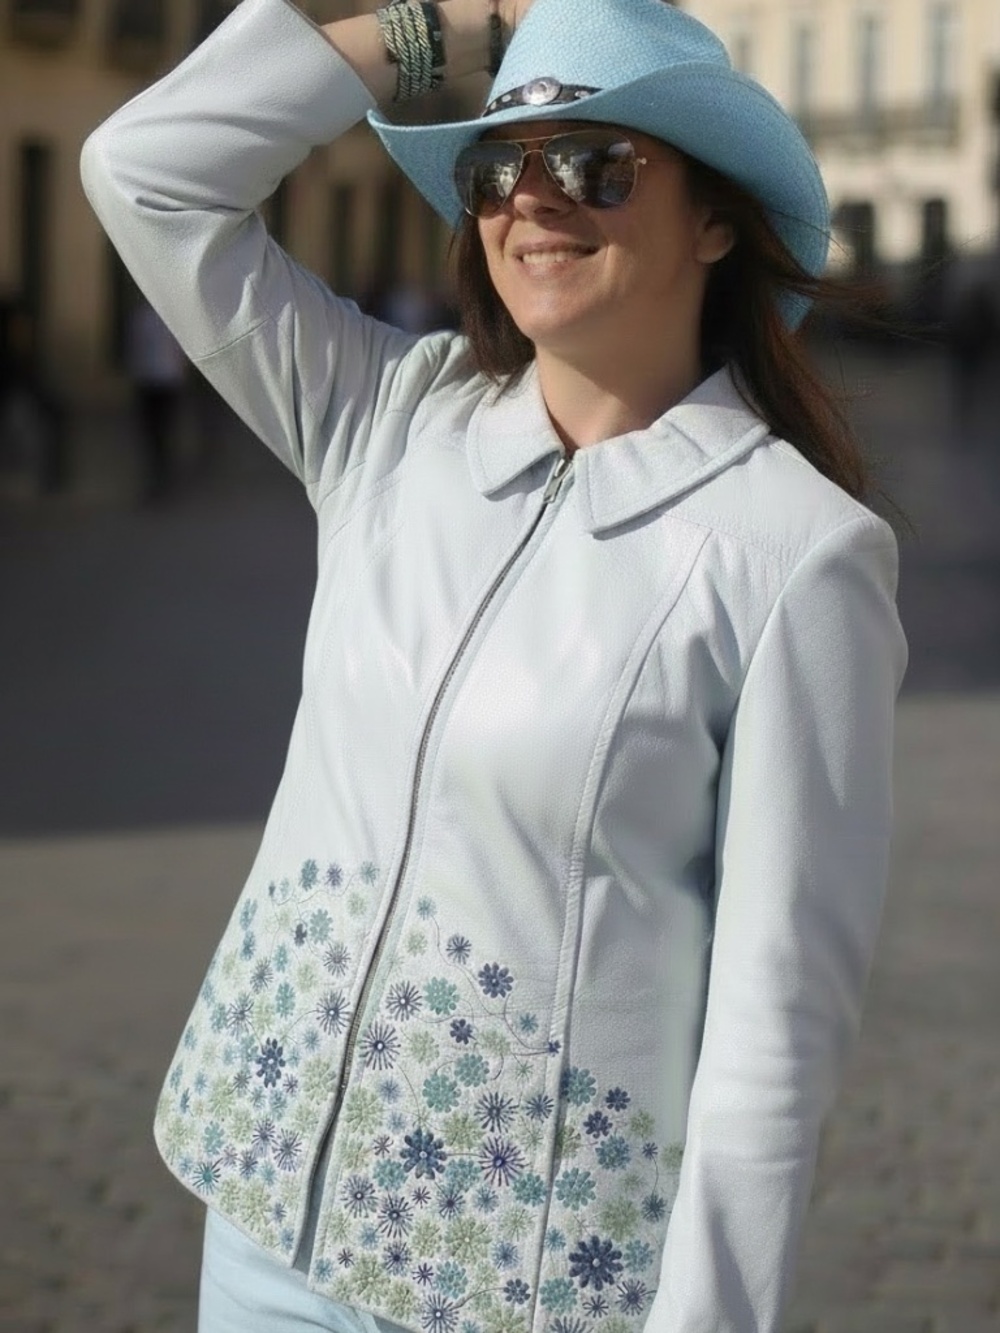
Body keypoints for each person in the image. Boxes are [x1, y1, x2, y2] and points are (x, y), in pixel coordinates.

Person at [80, 0, 907, 1329]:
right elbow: (146, 174)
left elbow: (774, 1042)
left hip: (517, 1286)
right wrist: (425, 41)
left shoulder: (795, 557)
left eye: (596, 164)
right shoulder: (390, 425)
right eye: (496, 168)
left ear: (714, 220)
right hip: (262, 1223)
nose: (536, 201)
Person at [124, 295, 188, 500]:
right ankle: (158, 478)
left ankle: (163, 479)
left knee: (161, 432)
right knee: (154, 433)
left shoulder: (164, 317)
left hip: (164, 381)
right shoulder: (143, 317)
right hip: (152, 380)